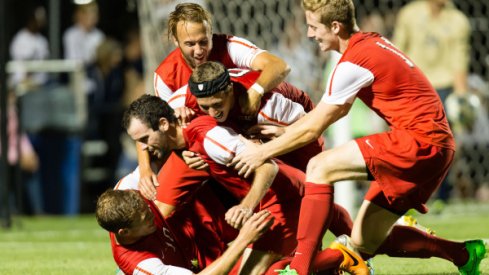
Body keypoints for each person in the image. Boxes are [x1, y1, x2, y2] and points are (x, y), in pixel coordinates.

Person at [227, 0, 487, 274]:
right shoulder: (371, 43)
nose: (309, 34)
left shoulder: (354, 61)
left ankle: (299, 269)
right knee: (365, 239)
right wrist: (287, 132)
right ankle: (463, 254)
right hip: (436, 147)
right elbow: (331, 113)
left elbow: (314, 128)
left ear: (335, 26)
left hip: (418, 143)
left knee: (319, 167)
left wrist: (260, 152)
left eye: (313, 27)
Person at [136, 2, 291, 196]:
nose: (199, 50)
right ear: (175, 41)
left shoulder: (230, 46)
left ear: (211, 33)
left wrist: (256, 92)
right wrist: (148, 167)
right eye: (190, 44)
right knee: (145, 188)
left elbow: (279, 66)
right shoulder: (166, 76)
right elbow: (152, 125)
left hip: (253, 132)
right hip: (204, 150)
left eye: (203, 41)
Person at [392, 0, 472, 208]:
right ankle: (405, 192)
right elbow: (397, 52)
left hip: (444, 87)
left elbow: (459, 59)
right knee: (408, 142)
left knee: (442, 147)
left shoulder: (458, 21)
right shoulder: (409, 15)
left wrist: (461, 97)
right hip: (415, 85)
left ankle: (439, 196)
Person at [95, 188, 274, 275]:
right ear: (124, 232)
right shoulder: (142, 265)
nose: (152, 214)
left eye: (148, 209)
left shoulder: (131, 196)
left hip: (194, 249)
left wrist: (147, 167)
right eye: (145, 219)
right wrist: (243, 240)